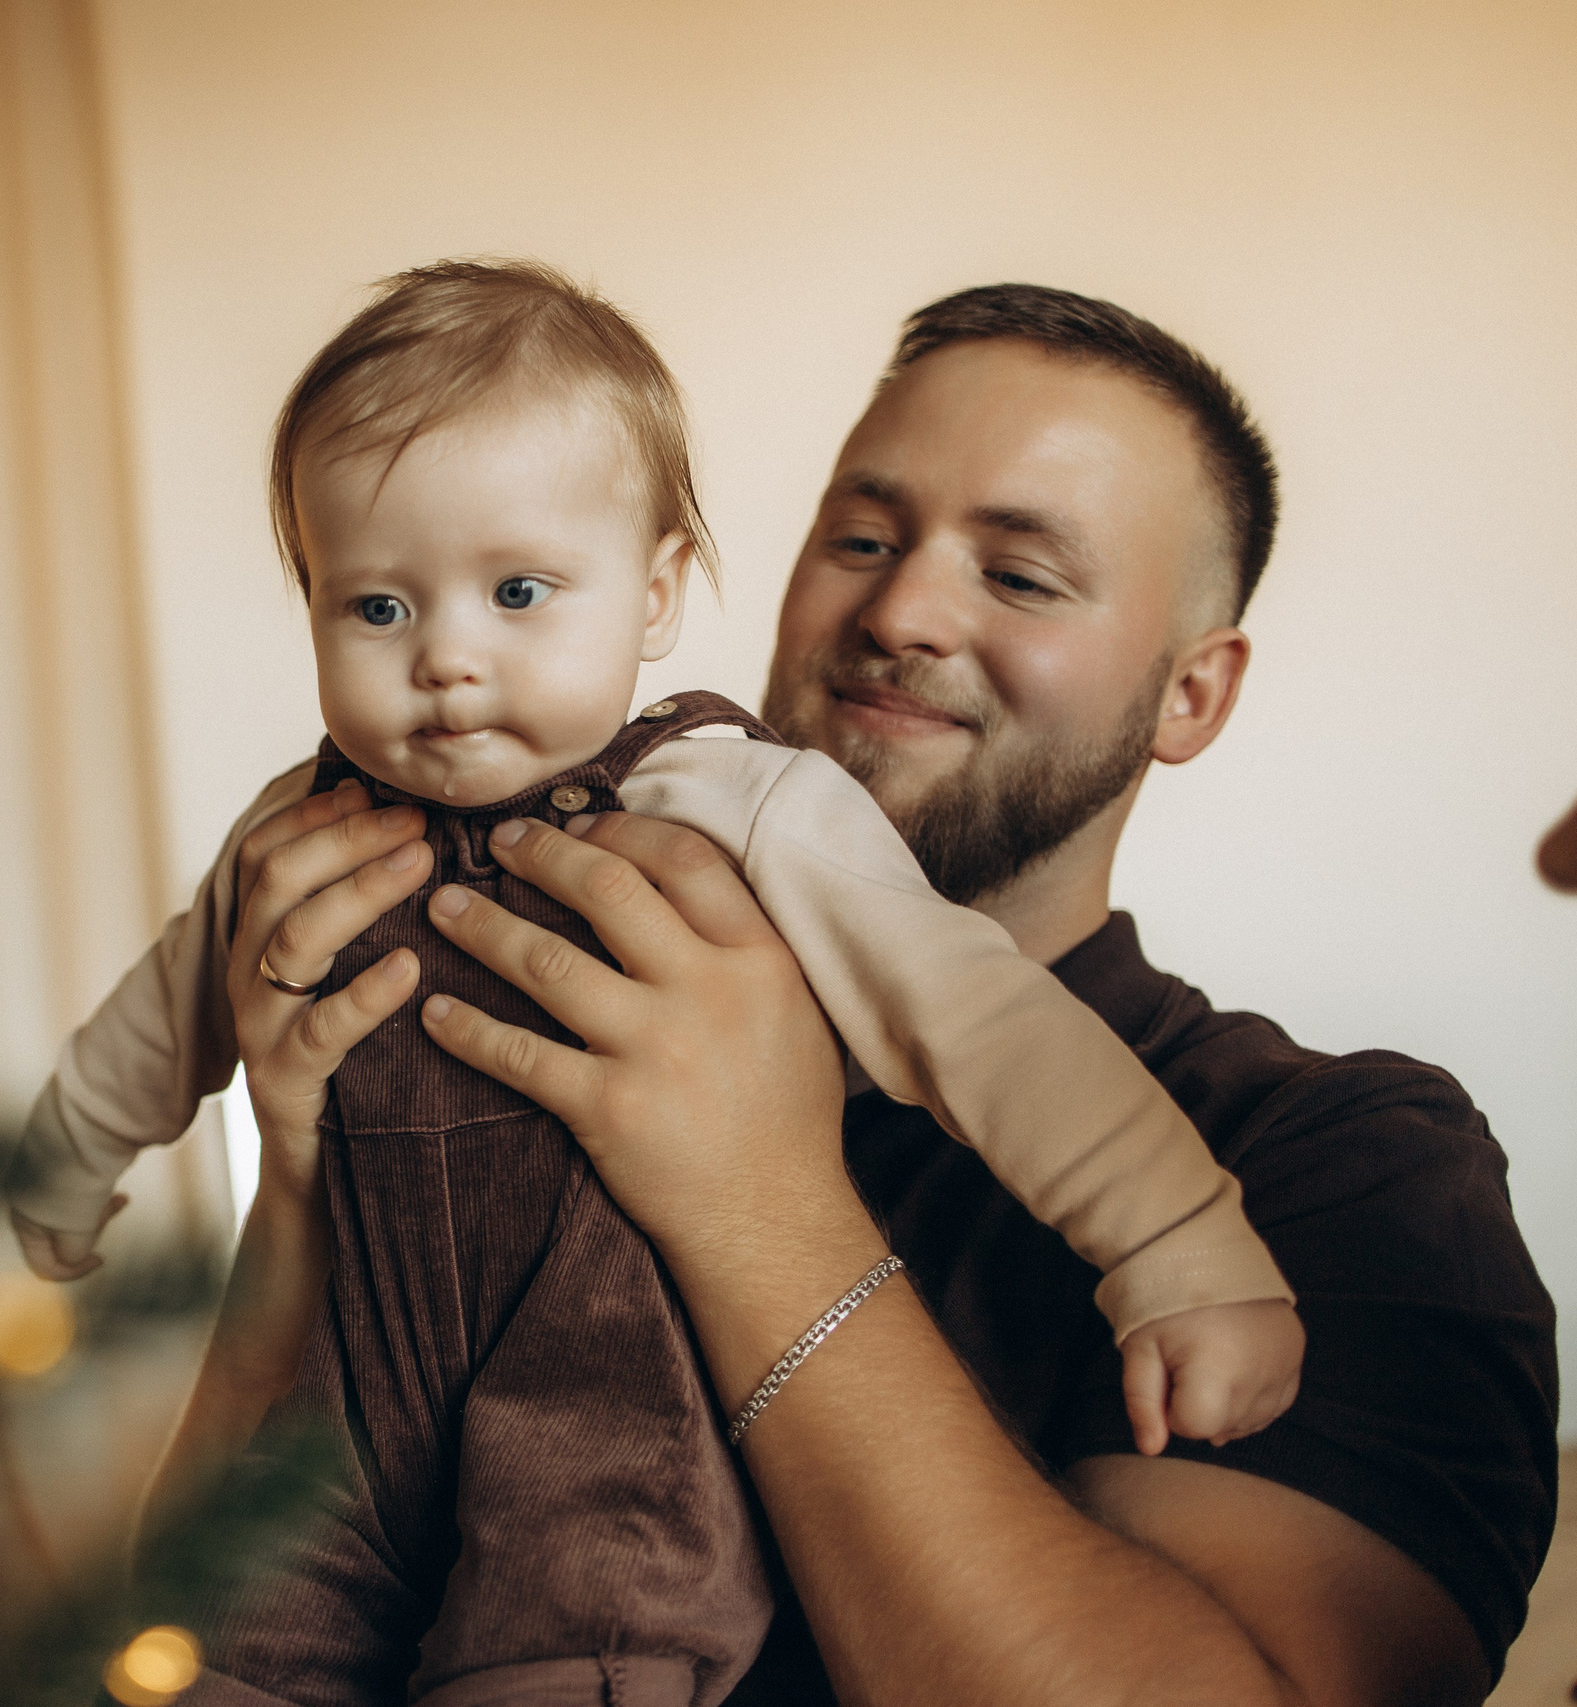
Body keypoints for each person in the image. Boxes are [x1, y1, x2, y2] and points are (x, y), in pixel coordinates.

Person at [187, 282, 1553, 1704]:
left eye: (1019, 576)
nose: (901, 608)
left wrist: (758, 1209)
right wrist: (297, 1185)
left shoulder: (1340, 1162)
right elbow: (238, 1614)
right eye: (862, 538)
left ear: (1191, 695)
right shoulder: (502, 993)